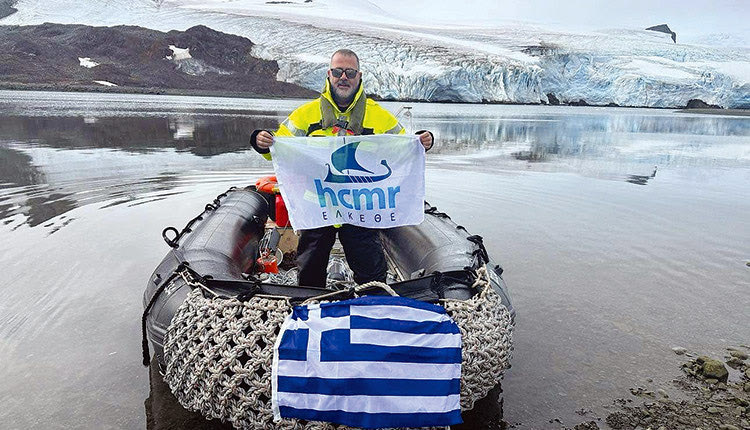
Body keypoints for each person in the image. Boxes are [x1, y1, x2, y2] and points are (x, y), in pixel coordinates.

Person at [250, 48, 434, 287]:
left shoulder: (378, 117)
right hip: (318, 204)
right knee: (309, 273)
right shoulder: (306, 115)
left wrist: (422, 142)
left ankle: (372, 308)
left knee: (371, 271)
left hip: (361, 207)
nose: (343, 77)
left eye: (349, 72)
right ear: (329, 74)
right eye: (338, 71)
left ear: (359, 76)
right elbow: (279, 148)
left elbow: (403, 147)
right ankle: (311, 311)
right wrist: (261, 141)